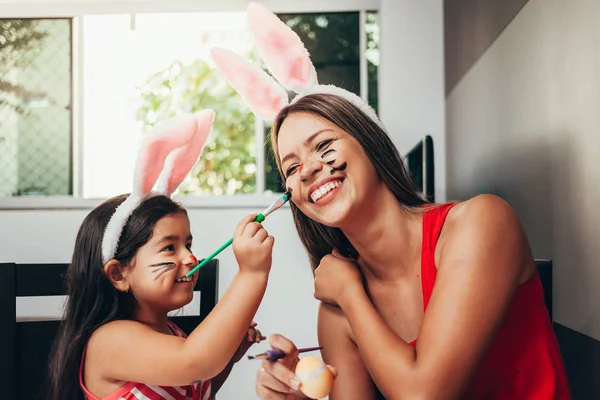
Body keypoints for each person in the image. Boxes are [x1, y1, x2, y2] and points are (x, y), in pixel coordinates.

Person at [210, 4, 571, 398]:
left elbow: (424, 394)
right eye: (291, 168)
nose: (309, 170)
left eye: (324, 146)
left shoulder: (481, 223)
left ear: (369, 142)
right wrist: (299, 394)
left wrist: (351, 294)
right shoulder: (335, 310)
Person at [47, 111, 274, 400]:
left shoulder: (173, 334)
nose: (191, 258)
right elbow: (194, 364)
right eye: (170, 247)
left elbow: (193, 387)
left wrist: (229, 356)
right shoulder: (110, 340)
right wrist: (252, 273)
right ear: (119, 274)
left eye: (188, 245)